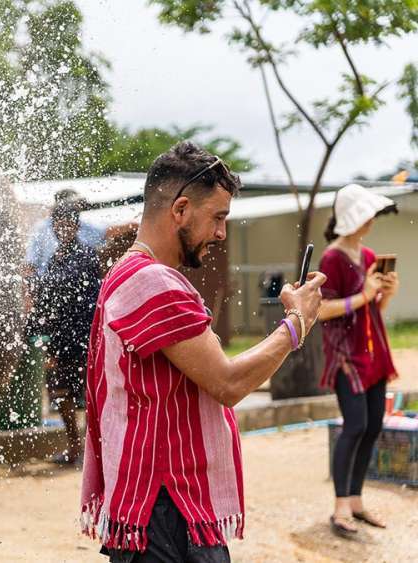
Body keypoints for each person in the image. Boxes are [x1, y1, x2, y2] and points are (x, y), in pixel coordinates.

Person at [80, 141, 325, 562]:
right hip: (166, 504)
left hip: (153, 503)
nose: (220, 233)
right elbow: (228, 382)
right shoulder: (155, 283)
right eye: (217, 217)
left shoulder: (127, 273)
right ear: (180, 210)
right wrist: (296, 324)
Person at [316, 184, 399, 536]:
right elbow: (320, 310)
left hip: (374, 353)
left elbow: (373, 310)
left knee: (374, 425)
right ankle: (339, 509)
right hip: (345, 356)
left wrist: (385, 294)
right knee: (354, 426)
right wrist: (363, 295)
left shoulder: (367, 256)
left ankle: (356, 502)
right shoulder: (331, 259)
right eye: (366, 214)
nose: (371, 220)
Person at [32, 198, 102, 465]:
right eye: (57, 225)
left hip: (83, 337)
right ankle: (74, 447)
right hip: (59, 338)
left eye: (67, 224)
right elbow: (48, 299)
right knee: (60, 394)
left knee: (89, 396)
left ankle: (91, 451)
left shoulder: (86, 255)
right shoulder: (53, 259)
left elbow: (85, 296)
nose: (62, 229)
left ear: (75, 226)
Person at [25, 188, 106, 276]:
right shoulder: (41, 229)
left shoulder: (85, 227)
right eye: (60, 226)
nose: (65, 230)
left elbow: (105, 236)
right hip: (46, 278)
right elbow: (30, 263)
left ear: (76, 227)